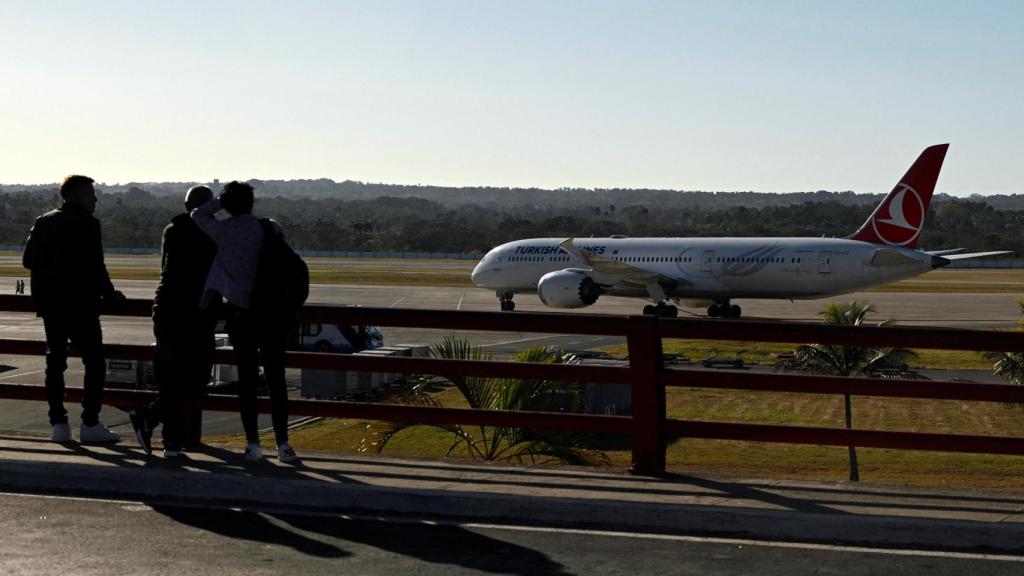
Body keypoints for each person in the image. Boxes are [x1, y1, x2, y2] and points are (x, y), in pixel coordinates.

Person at [191, 181, 298, 463]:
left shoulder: (222, 231)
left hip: (242, 316)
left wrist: (219, 203)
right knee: (277, 382)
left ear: (228, 205)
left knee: (248, 384)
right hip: (272, 314)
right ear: (252, 202)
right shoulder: (270, 228)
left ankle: (253, 444)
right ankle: (283, 445)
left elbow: (198, 215)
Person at [22, 175, 125, 443]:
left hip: (50, 304)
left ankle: (58, 424)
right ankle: (90, 422)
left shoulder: (43, 221)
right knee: (94, 363)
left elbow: (28, 260)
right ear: (78, 196)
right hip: (82, 305)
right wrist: (111, 294)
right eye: (92, 194)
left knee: (55, 363)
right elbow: (96, 265)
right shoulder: (88, 224)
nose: (96, 199)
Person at [129, 185, 218, 457]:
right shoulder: (213, 232)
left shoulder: (173, 229)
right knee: (195, 376)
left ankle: (161, 429)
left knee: (173, 377)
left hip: (168, 307)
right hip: (193, 310)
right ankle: (167, 435)